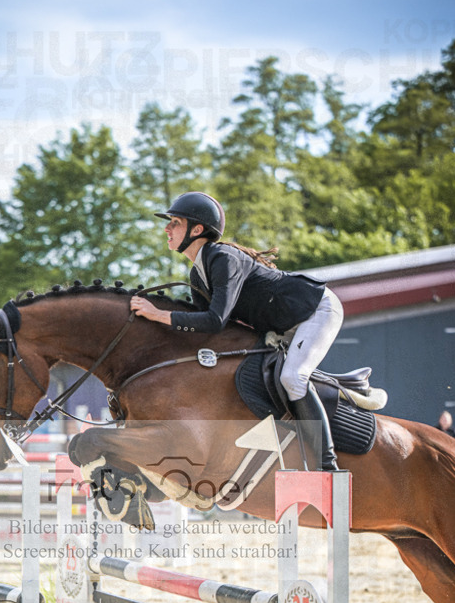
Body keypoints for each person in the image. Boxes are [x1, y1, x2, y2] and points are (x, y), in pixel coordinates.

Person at [130, 191, 344, 471]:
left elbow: (215, 320)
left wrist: (159, 314)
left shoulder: (222, 258)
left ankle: (328, 466)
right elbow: (202, 331)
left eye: (175, 222)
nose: (167, 228)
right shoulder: (198, 274)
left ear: (196, 230)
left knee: (293, 377)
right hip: (283, 324)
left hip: (315, 309)